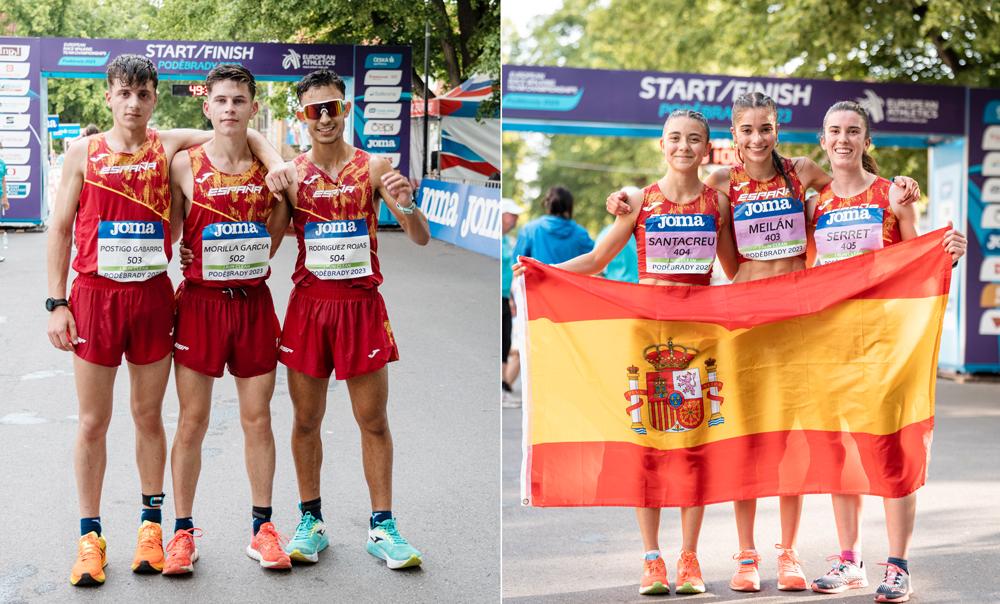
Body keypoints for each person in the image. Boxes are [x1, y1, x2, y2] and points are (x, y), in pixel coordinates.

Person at [607, 91, 922, 593]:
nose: (756, 138)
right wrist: (623, 196)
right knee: (750, 439)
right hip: (746, 323)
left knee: (794, 437)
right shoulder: (719, 182)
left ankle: (790, 553)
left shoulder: (803, 170)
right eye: (747, 130)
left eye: (766, 128)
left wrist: (903, 186)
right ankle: (747, 554)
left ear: (778, 129)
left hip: (803, 322)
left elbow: (853, 189)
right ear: (732, 136)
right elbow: (708, 238)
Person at [45, 54, 292, 587]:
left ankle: (152, 527)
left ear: (154, 98)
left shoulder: (169, 145)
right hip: (95, 297)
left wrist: (272, 153)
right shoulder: (82, 153)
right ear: (107, 97)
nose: (132, 104)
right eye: (123, 93)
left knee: (149, 416)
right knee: (92, 421)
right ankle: (90, 536)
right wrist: (55, 301)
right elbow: (60, 229)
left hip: (154, 299)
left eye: (143, 94)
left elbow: (233, 132)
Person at [520, 110, 738, 596]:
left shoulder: (718, 204)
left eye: (694, 140)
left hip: (698, 342)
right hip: (647, 341)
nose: (684, 147)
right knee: (649, 447)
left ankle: (689, 558)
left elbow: (736, 273)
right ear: (662, 144)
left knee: (693, 447)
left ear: (706, 149)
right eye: (675, 138)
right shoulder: (639, 200)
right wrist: (540, 272)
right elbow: (597, 260)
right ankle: (652, 559)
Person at [805, 100, 966, 603]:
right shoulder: (815, 206)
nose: (844, 140)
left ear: (866, 140)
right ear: (824, 139)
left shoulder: (893, 196)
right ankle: (848, 560)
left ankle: (897, 566)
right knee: (840, 450)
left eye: (854, 131)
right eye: (835, 131)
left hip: (886, 345)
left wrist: (949, 256)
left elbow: (920, 261)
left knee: (891, 449)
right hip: (832, 343)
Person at [270, 69, 431, 569]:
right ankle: (310, 521)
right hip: (309, 308)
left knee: (373, 420)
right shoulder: (292, 175)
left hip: (361, 308)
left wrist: (407, 204)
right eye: (314, 110)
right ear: (301, 116)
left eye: (333, 108)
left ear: (345, 110)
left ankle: (383, 526)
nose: (324, 118)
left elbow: (420, 236)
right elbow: (267, 246)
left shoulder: (374, 166)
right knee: (305, 420)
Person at [162, 64, 291, 576]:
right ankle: (182, 533)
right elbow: (170, 232)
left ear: (253, 108)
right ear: (207, 107)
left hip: (253, 304)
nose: (230, 108)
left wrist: (246, 257)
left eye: (240, 100)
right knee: (191, 421)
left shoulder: (271, 171)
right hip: (199, 306)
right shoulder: (184, 165)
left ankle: (262, 528)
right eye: (221, 100)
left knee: (257, 419)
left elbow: (276, 231)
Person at [514, 186, 594, 264]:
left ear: (547, 204)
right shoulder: (580, 234)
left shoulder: (529, 230)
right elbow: (596, 261)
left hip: (540, 277)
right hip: (569, 277)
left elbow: (517, 264)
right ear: (569, 206)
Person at [501, 197, 526, 408]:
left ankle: (503, 388)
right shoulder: (497, 238)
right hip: (498, 297)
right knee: (503, 344)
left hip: (506, 297)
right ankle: (502, 389)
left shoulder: (507, 240)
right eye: (512, 215)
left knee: (506, 343)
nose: (515, 220)